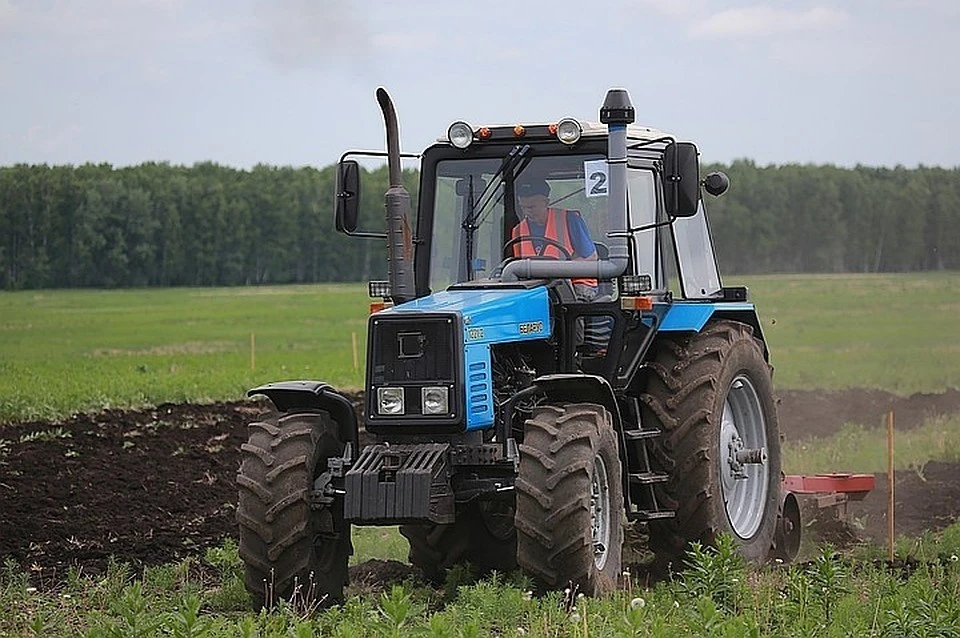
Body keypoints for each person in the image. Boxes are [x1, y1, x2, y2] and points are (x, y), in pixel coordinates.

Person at [511, 178, 598, 299]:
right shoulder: (518, 231)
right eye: (523, 207)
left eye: (531, 207)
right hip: (535, 286)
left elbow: (591, 257)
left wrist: (563, 271)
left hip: (576, 284)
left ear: (546, 202)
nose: (527, 212)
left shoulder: (569, 220)